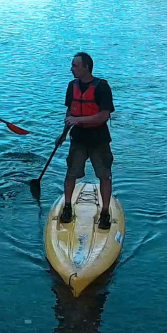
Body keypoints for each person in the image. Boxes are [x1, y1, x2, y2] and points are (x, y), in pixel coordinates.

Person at [58, 52, 115, 228]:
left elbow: (103, 116)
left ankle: (105, 212)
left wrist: (78, 120)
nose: (71, 69)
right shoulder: (72, 86)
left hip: (99, 140)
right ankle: (67, 207)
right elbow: (70, 113)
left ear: (86, 68)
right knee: (71, 174)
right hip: (79, 139)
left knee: (104, 176)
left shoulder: (102, 87)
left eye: (75, 66)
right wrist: (63, 134)